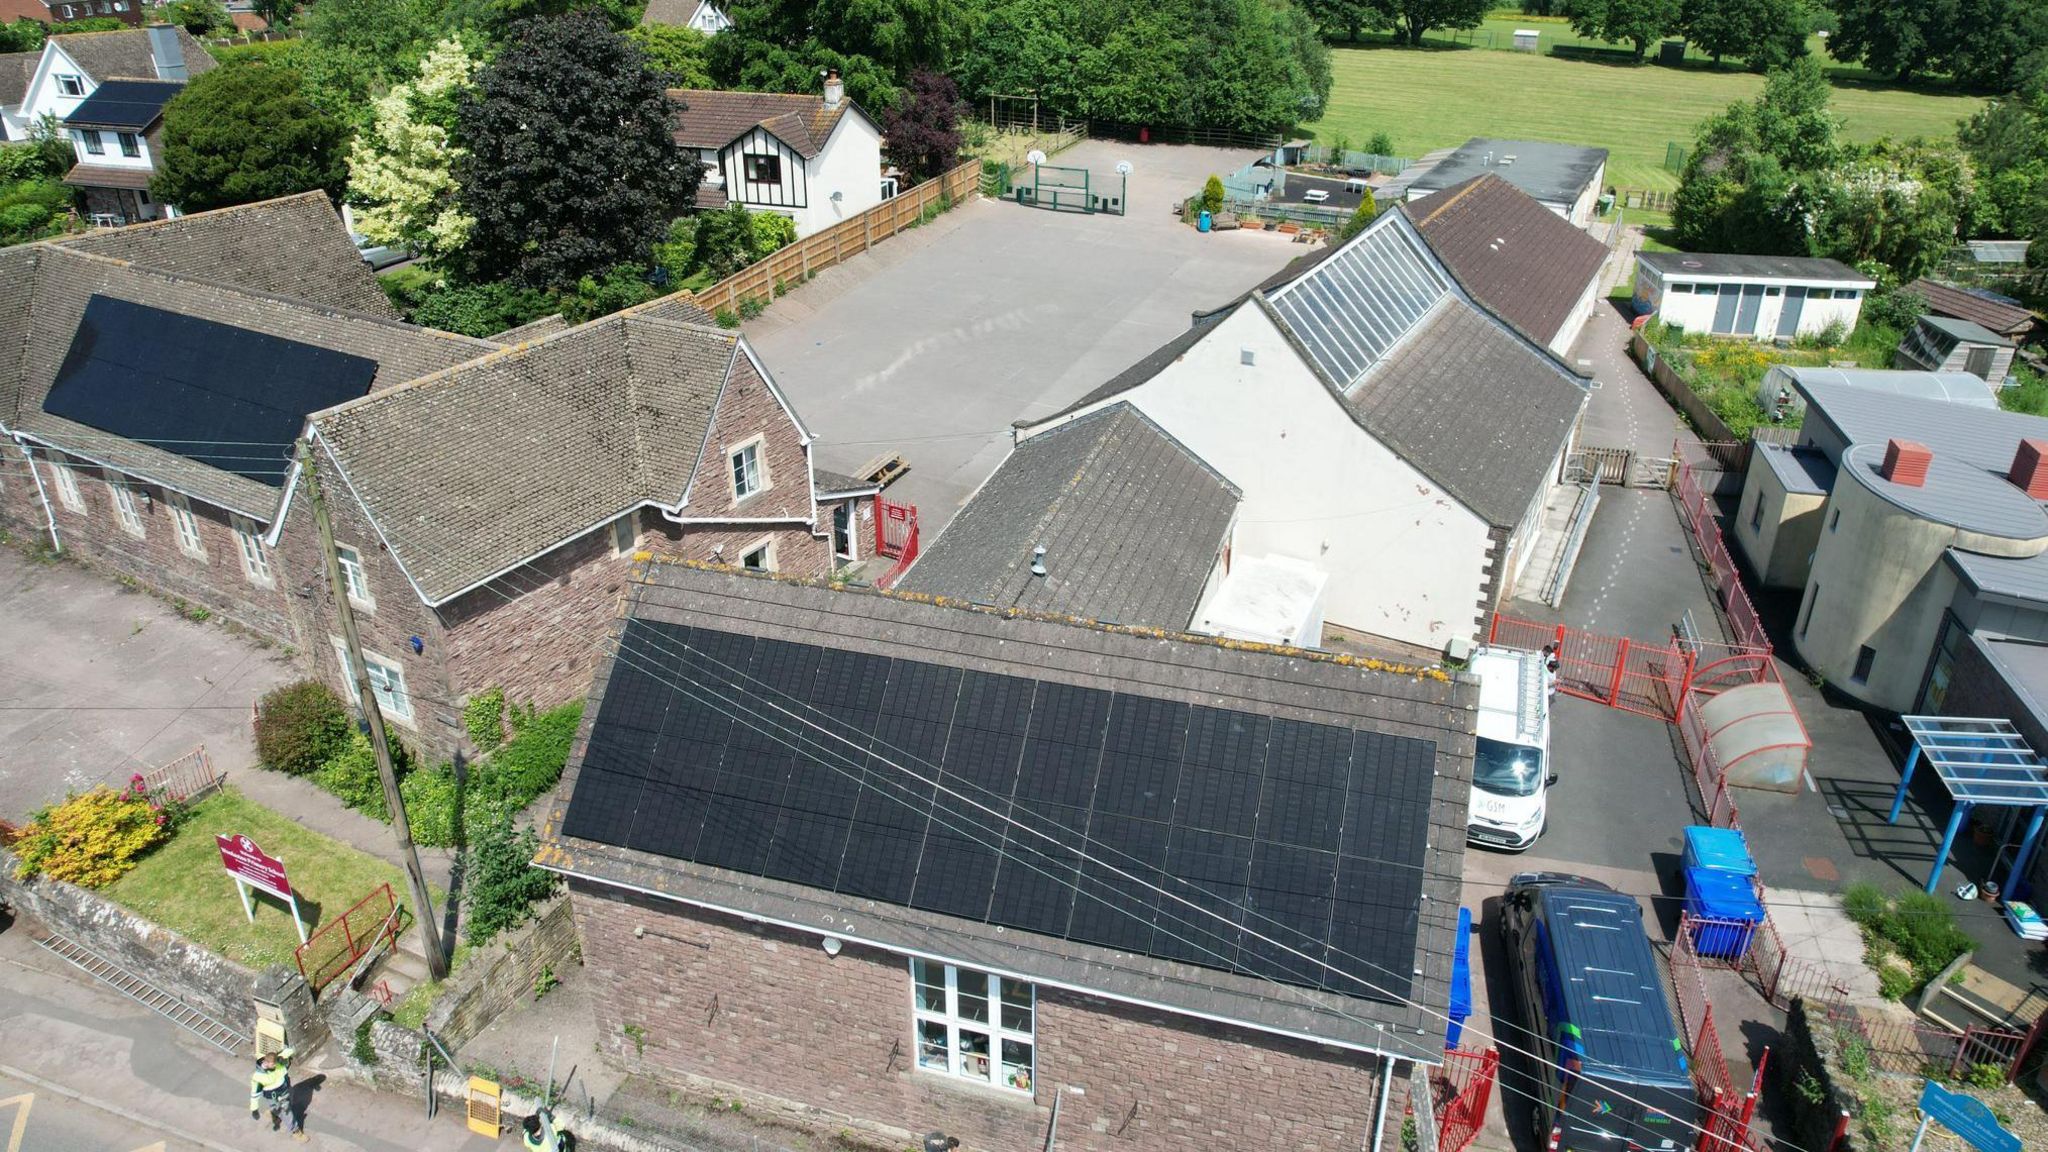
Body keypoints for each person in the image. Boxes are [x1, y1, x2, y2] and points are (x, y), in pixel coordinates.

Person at [249, 1046, 305, 1141]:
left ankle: (274, 1112)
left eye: (275, 1064)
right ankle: (295, 1131)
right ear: (265, 1062)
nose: (275, 1066)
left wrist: (282, 1055)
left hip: (285, 1091)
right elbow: (255, 1094)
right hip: (275, 1097)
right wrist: (254, 1109)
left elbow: (291, 1049)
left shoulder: (278, 1063)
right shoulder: (259, 1077)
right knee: (287, 1113)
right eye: (272, 1065)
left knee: (279, 1106)